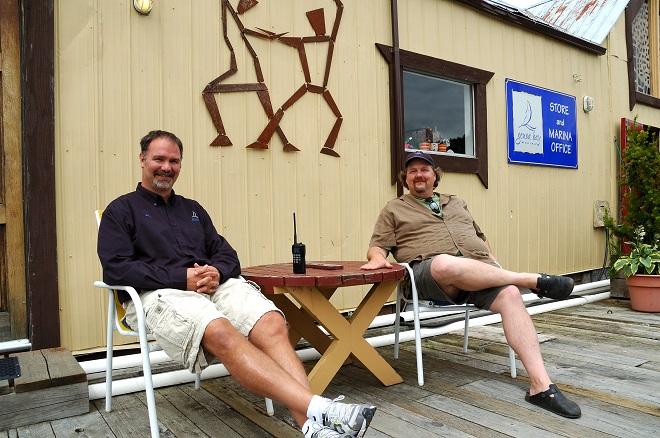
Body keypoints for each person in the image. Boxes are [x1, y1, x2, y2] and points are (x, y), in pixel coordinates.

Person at [98, 130, 377, 438]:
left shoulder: (192, 210)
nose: (166, 167)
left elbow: (226, 254)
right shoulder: (120, 211)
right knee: (219, 329)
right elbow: (116, 269)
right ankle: (322, 408)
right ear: (142, 160)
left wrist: (216, 271)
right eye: (159, 159)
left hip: (209, 287)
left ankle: (310, 427)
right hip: (157, 294)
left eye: (174, 161)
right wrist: (181, 278)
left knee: (271, 322)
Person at [361, 150, 581, 419]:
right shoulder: (394, 209)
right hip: (428, 276)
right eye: (412, 171)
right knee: (444, 263)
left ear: (435, 176)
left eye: (424, 170)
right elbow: (378, 246)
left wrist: (493, 265)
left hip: (475, 274)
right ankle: (531, 280)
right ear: (405, 179)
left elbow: (480, 238)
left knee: (510, 294)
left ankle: (541, 386)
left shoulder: (456, 203)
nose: (419, 174)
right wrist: (376, 259)